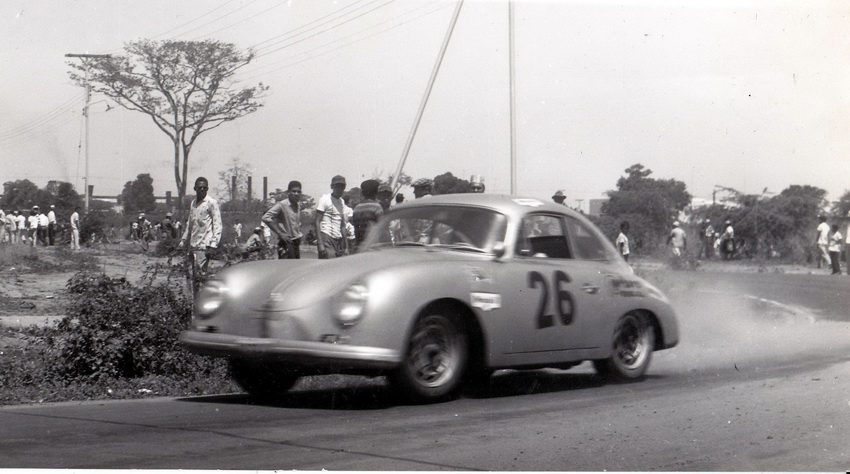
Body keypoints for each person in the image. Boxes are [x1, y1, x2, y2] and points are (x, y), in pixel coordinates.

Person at [179, 176, 222, 276]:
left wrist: (213, 245)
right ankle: (195, 292)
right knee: (191, 275)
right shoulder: (193, 203)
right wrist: (183, 240)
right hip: (193, 245)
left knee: (201, 275)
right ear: (195, 189)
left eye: (204, 187)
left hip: (204, 245)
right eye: (200, 187)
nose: (202, 189)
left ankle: (202, 291)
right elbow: (190, 223)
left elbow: (217, 224)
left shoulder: (211, 202)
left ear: (207, 188)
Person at [262, 180, 304, 259]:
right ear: (289, 192)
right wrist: (280, 233)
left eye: (298, 192)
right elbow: (266, 217)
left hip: (296, 242)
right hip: (286, 242)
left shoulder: (298, 205)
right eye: (294, 191)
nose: (296, 194)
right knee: (287, 268)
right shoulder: (282, 205)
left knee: (297, 268)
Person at [315, 175, 348, 259]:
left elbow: (343, 225)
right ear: (332, 186)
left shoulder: (342, 202)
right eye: (337, 186)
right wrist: (320, 243)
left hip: (338, 239)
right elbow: (317, 221)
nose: (340, 189)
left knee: (337, 267)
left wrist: (346, 247)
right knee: (329, 265)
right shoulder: (325, 199)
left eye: (342, 186)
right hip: (326, 237)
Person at [352, 179, 383, 251]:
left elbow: (356, 229)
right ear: (376, 193)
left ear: (363, 193)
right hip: (374, 246)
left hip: (360, 246)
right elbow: (381, 227)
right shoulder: (377, 207)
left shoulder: (357, 208)